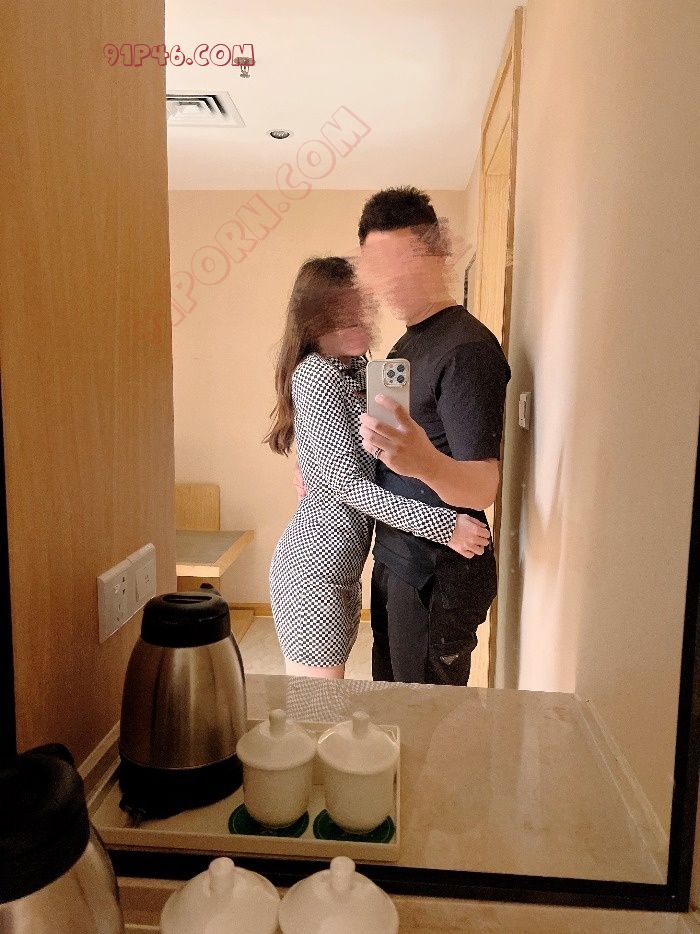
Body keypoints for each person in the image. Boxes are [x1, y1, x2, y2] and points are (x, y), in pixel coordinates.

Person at [265, 256, 491, 680]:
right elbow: (348, 486)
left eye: (362, 307)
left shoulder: (359, 370)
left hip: (341, 569)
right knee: (317, 705)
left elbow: (376, 457)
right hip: (312, 574)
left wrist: (311, 463)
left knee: (329, 702)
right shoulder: (316, 373)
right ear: (313, 324)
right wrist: (446, 527)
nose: (359, 321)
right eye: (341, 315)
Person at [355, 186, 512, 686]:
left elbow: (482, 487)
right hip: (397, 557)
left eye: (402, 263)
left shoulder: (466, 350)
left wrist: (422, 461)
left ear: (437, 253)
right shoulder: (406, 343)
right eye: (377, 267)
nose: (388, 281)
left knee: (426, 718)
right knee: (393, 702)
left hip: (439, 570)